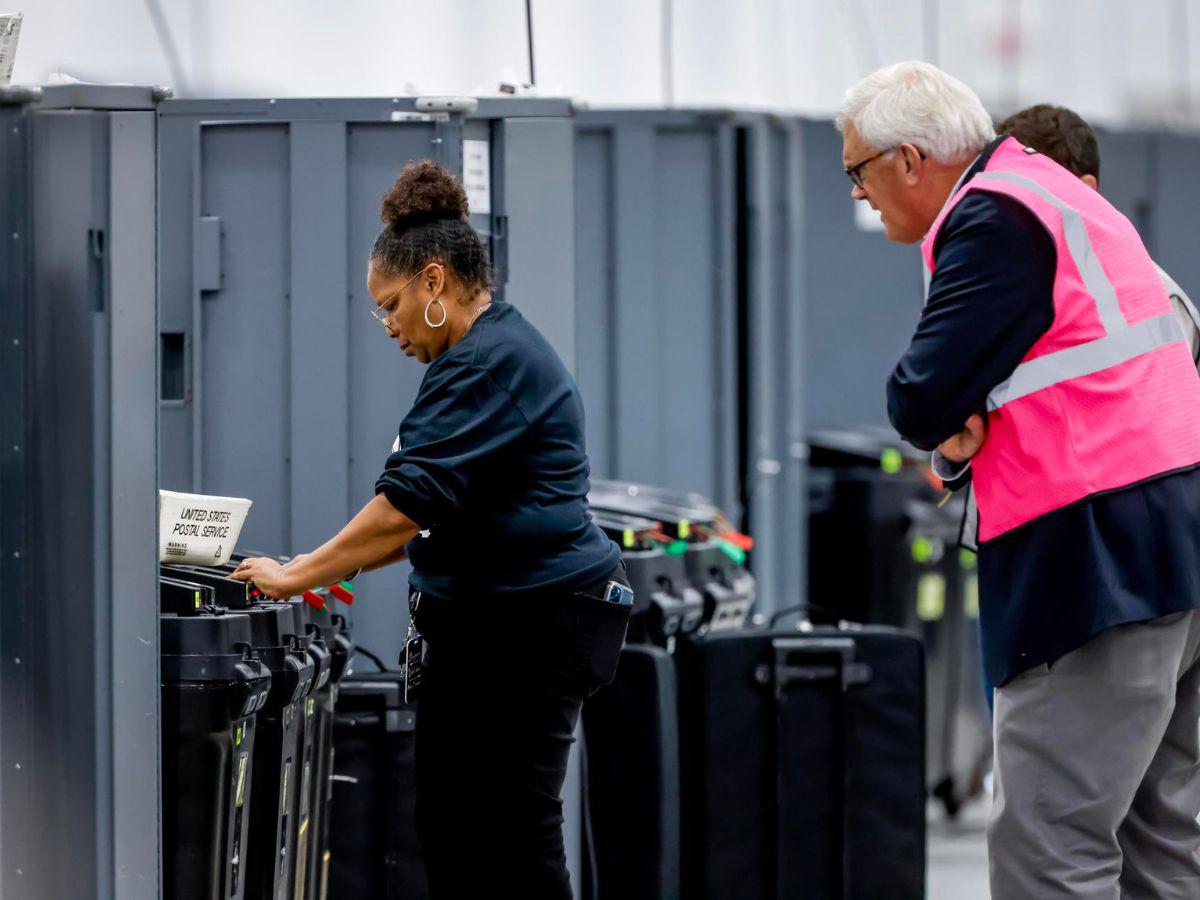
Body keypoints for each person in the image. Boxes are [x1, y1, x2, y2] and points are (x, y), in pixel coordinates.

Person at [838, 61, 1200, 899]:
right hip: (1172, 549)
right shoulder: (1061, 199)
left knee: (1050, 846)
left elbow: (920, 393)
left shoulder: (995, 217)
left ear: (910, 160)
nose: (858, 193)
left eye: (858, 171)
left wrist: (946, 426)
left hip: (1093, 564)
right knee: (1161, 840)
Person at [232, 159, 631, 898]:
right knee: (459, 832)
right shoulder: (478, 359)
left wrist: (295, 573)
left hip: (532, 629)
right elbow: (423, 521)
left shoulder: (487, 364)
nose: (387, 326)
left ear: (435, 283)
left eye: (389, 305)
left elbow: (401, 512)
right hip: (503, 626)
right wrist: (322, 566)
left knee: (511, 838)